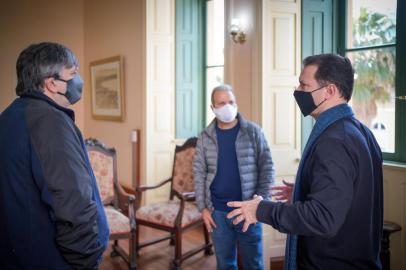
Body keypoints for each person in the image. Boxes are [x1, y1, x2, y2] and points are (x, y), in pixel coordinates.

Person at [227, 54, 383, 270]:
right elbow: (347, 196)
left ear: (330, 91)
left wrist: (260, 209)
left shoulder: (335, 141)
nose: (298, 90)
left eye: (304, 84)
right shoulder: (359, 132)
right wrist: (305, 192)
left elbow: (323, 217)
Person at [0, 42, 109, 269]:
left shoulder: (8, 116)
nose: (79, 81)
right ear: (52, 83)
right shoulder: (50, 122)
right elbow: (72, 200)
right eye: (73, 74)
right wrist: (87, 260)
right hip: (51, 260)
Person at [193, 84, 275, 270]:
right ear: (212, 107)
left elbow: (267, 168)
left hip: (248, 210)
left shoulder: (253, 132)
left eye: (231, 102)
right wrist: (203, 208)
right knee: (225, 264)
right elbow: (198, 173)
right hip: (217, 213)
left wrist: (260, 202)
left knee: (254, 264)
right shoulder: (205, 137)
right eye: (221, 103)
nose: (227, 106)